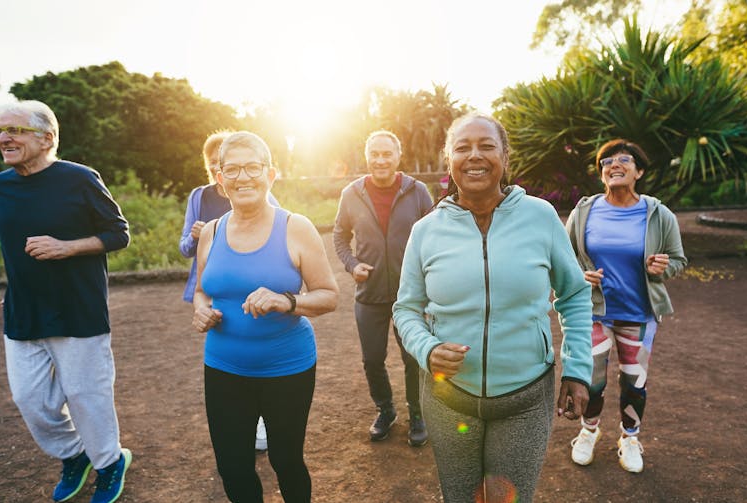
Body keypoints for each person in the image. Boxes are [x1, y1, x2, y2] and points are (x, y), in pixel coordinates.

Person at [392, 113, 594, 503]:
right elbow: (406, 309)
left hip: (524, 399)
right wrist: (427, 349)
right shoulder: (426, 231)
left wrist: (578, 368)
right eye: (462, 148)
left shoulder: (540, 217)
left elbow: (574, 294)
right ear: (448, 160)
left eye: (486, 146)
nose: (475, 156)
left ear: (505, 155)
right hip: (449, 397)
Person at [192, 131, 338, 502]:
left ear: (271, 174)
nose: (243, 178)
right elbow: (202, 289)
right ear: (220, 180)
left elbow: (329, 296)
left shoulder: (295, 227)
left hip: (286, 367)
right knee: (232, 465)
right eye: (232, 170)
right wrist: (200, 310)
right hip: (223, 366)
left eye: (252, 167)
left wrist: (286, 301)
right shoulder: (210, 232)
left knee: (286, 460)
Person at [0, 100, 132, 503]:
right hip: (23, 310)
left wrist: (67, 248)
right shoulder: (2, 186)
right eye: (1, 132)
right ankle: (75, 454)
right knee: (30, 400)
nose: (4, 138)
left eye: (15, 130)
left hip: (78, 310)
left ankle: (109, 462)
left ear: (47, 138)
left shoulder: (80, 179)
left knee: (86, 396)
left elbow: (118, 233)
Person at [565, 139, 687, 473]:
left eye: (623, 160)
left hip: (639, 314)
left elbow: (678, 259)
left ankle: (629, 438)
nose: (614, 165)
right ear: (601, 173)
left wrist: (664, 266)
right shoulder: (584, 211)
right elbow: (563, 258)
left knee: (634, 380)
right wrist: (580, 274)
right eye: (606, 162)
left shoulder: (658, 214)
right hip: (594, 311)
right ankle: (588, 432)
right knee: (593, 379)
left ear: (639, 171)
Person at [179, 130, 280, 451]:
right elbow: (184, 248)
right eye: (214, 165)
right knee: (227, 353)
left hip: (253, 285)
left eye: (246, 166)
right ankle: (241, 421)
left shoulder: (258, 190)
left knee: (258, 349)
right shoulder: (199, 197)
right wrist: (197, 236)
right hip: (213, 286)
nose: (218, 171)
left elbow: (277, 229)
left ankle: (263, 419)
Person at [333, 130, 434, 446]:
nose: (380, 160)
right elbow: (339, 236)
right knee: (372, 359)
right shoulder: (351, 193)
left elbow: (435, 237)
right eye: (374, 153)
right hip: (370, 294)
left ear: (397, 156)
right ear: (367, 156)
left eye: (386, 154)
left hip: (411, 296)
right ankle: (386, 410)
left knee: (413, 359)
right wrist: (352, 265)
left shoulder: (417, 192)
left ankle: (417, 414)